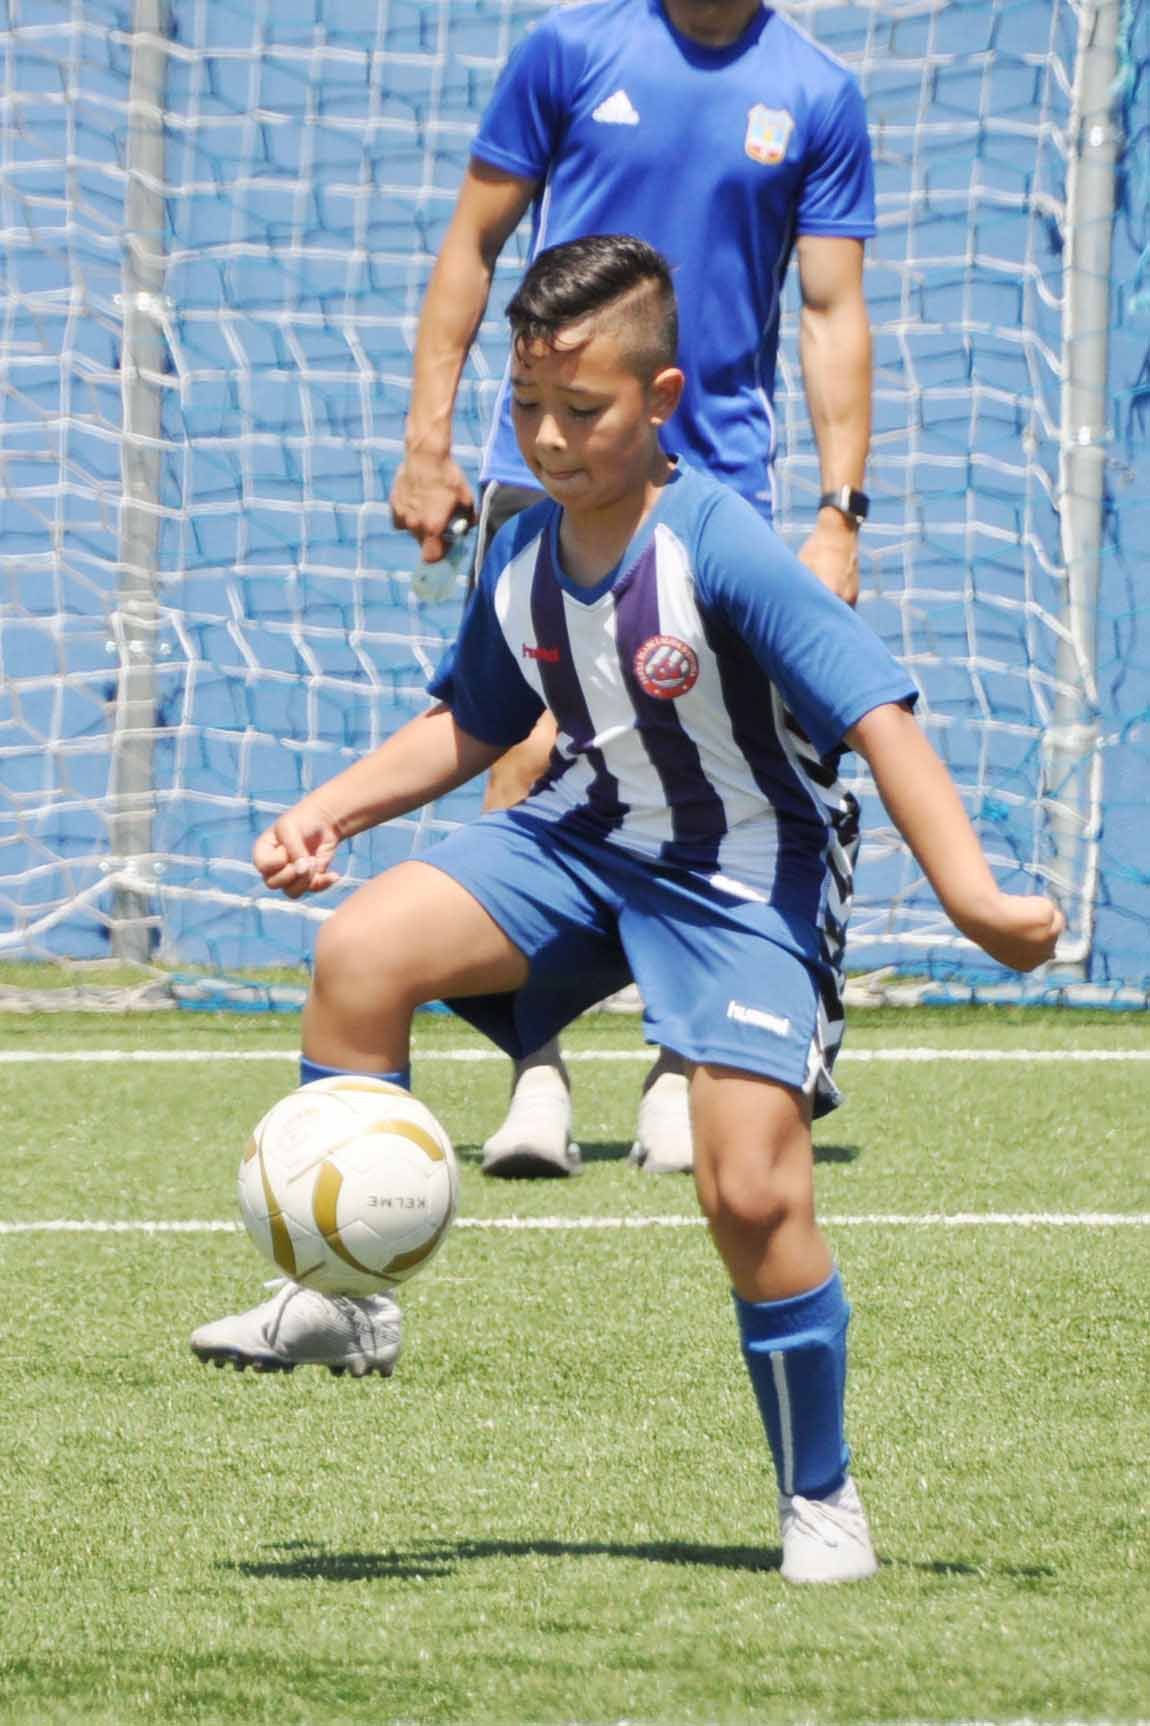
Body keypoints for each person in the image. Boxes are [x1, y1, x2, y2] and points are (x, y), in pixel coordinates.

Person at [193, 237, 1063, 1583]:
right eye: (528, 404)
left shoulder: (717, 543)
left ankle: (819, 1497)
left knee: (749, 1189)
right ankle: (344, 1303)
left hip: (740, 877)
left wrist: (974, 900)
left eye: (582, 409)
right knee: (361, 948)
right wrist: (332, 810)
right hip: (584, 837)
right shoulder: (521, 548)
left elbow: (874, 709)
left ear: (660, 397)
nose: (547, 436)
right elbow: (469, 721)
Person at [390, 0, 875, 1178]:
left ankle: (682, 1062)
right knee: (522, 742)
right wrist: (429, 440)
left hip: (718, 490)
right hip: (546, 469)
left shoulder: (816, 92)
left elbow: (828, 308)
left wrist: (837, 513)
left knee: (711, 766)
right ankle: (535, 1069)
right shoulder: (568, 50)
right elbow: (473, 246)